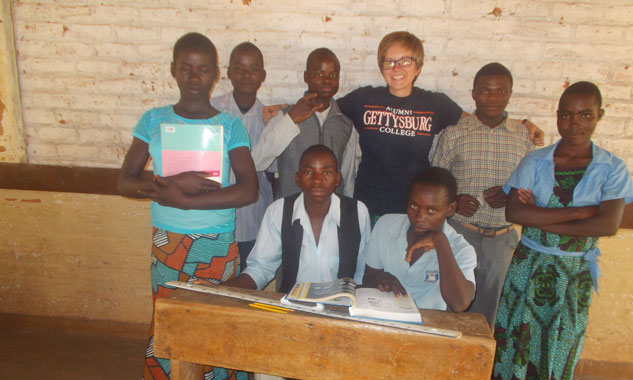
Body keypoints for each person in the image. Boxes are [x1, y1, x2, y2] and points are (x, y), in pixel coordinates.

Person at [116, 32, 258, 380]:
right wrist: (172, 183)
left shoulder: (229, 125)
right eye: (186, 67)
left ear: (216, 75)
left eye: (203, 68)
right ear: (174, 69)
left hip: (215, 244)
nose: (194, 76)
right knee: (171, 328)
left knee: (210, 329)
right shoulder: (153, 120)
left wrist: (187, 201)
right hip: (167, 247)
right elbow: (124, 181)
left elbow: (248, 189)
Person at [492, 82, 633, 380]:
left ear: (599, 116)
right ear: (557, 116)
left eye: (585, 114)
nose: (575, 123)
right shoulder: (535, 160)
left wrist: (542, 216)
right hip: (529, 264)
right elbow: (514, 212)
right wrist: (580, 213)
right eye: (567, 114)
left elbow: (608, 225)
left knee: (560, 337)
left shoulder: (611, 168)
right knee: (515, 334)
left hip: (573, 274)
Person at [223, 144, 371, 380]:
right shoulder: (279, 210)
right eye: (309, 172)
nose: (318, 179)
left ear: (338, 179)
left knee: (325, 374)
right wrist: (232, 288)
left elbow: (359, 270)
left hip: (335, 315)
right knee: (266, 366)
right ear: (297, 178)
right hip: (290, 310)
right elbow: (261, 266)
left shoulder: (357, 212)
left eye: (326, 172)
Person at [337, 31, 543, 222]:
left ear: (418, 67)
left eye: (405, 61)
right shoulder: (363, 99)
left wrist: (522, 123)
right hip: (369, 206)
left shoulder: (435, 104)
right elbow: (328, 111)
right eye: (389, 61)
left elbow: (477, 120)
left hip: (419, 208)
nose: (396, 68)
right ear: (381, 67)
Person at [363, 167, 480, 380]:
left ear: (451, 209)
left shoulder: (460, 249)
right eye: (414, 205)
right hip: (389, 328)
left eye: (432, 210)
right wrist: (381, 278)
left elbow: (460, 303)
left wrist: (439, 242)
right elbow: (368, 275)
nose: (419, 216)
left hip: (433, 338)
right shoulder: (387, 225)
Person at [432, 62, 535, 329]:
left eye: (501, 91)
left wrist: (510, 195)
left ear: (510, 94)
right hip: (459, 232)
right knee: (450, 307)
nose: (493, 98)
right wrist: (455, 202)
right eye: (485, 91)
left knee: (488, 316)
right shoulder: (455, 134)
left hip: (501, 240)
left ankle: (479, 367)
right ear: (474, 94)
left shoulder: (524, 137)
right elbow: (435, 183)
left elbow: (532, 188)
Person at [251, 48, 357, 199]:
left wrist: (346, 209)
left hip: (331, 214)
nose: (326, 80)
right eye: (319, 74)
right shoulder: (285, 116)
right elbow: (257, 161)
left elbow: (348, 177)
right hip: (290, 212)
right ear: (306, 77)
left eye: (333, 75)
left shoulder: (345, 125)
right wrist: (291, 120)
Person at [211, 42, 274, 269]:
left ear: (263, 75)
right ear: (228, 73)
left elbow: (273, 176)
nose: (246, 75)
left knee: (245, 288)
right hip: (215, 223)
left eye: (253, 69)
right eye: (239, 68)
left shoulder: (271, 121)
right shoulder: (211, 111)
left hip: (254, 222)